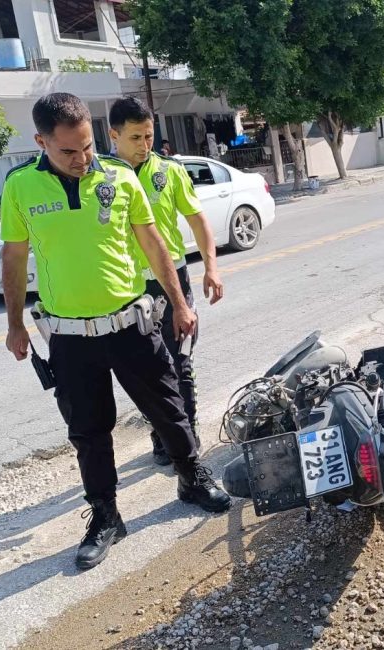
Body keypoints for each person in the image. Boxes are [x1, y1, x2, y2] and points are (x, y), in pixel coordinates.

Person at [0, 93, 231, 571]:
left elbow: (154, 246)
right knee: (88, 430)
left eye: (86, 146)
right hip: (68, 335)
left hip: (131, 322)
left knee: (168, 407)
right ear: (41, 141)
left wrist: (182, 303)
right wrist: (15, 323)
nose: (82, 159)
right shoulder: (21, 188)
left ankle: (191, 476)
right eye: (68, 151)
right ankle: (105, 516)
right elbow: (15, 258)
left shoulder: (120, 177)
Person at [108, 97, 225, 467]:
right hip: (128, 288)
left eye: (149, 135)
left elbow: (197, 220)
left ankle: (185, 438)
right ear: (114, 135)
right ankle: (161, 433)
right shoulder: (102, 177)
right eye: (136, 137)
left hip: (171, 280)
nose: (145, 145)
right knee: (147, 370)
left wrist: (211, 267)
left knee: (181, 362)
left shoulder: (169, 171)